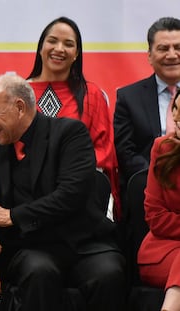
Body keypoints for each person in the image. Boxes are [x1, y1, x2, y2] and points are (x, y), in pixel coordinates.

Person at [0, 73, 126, 311]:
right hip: (30, 248)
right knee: (39, 271)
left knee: (108, 272)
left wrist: (13, 216)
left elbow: (70, 194)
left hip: (82, 243)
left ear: (19, 107)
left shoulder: (69, 133)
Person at [26, 16, 120, 221]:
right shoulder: (19, 93)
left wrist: (66, 175)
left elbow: (103, 152)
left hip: (79, 196)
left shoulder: (92, 95)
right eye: (52, 41)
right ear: (41, 46)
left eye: (68, 44)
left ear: (76, 54)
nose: (59, 49)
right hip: (27, 196)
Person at [114, 17, 180, 213]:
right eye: (163, 48)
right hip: (146, 189)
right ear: (149, 55)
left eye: (178, 47)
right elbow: (126, 152)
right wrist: (158, 178)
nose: (172, 54)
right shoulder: (128, 97)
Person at [137, 89, 180, 311]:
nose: (179, 119)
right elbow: (156, 217)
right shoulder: (163, 148)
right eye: (177, 111)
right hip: (161, 251)